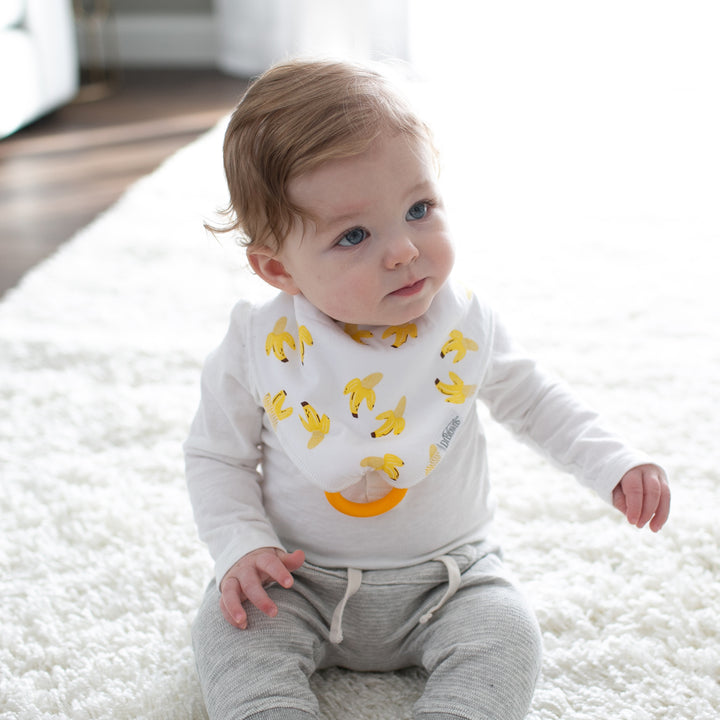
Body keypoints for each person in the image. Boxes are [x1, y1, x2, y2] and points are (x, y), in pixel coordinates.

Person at [184, 58, 670, 720]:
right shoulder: (258, 348)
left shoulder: (461, 325)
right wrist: (242, 545)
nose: (404, 250)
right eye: (353, 235)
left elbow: (532, 400)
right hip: (296, 579)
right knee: (225, 629)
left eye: (419, 208)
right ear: (277, 269)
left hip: (451, 577)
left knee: (508, 635)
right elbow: (218, 458)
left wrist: (614, 462)